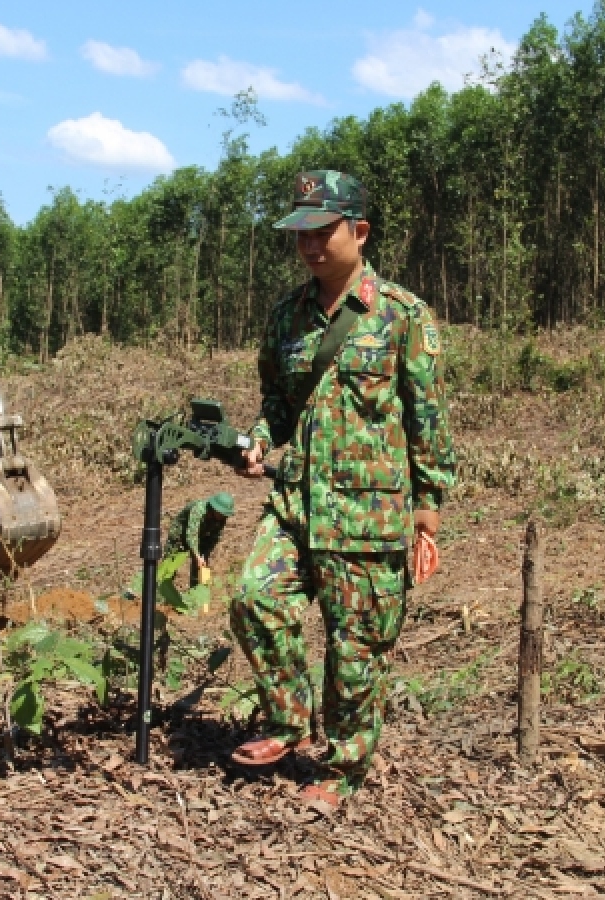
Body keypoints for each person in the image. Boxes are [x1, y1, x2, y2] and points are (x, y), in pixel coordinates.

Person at [231, 169, 456, 811]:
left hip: (370, 515)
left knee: (356, 650)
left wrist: (427, 516)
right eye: (298, 234)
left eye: (320, 232)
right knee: (254, 597)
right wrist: (257, 437)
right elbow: (278, 400)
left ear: (358, 231)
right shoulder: (286, 315)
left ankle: (344, 770)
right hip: (297, 505)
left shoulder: (403, 317)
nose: (307, 246)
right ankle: (288, 719)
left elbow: (426, 420)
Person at [165, 492, 235, 586]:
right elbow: (191, 534)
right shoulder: (199, 509)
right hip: (179, 535)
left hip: (201, 536)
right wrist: (197, 555)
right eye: (222, 513)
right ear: (215, 509)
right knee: (170, 565)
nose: (223, 516)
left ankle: (195, 594)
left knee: (200, 566)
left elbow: (214, 537)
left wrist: (204, 554)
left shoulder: (221, 518)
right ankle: (161, 593)